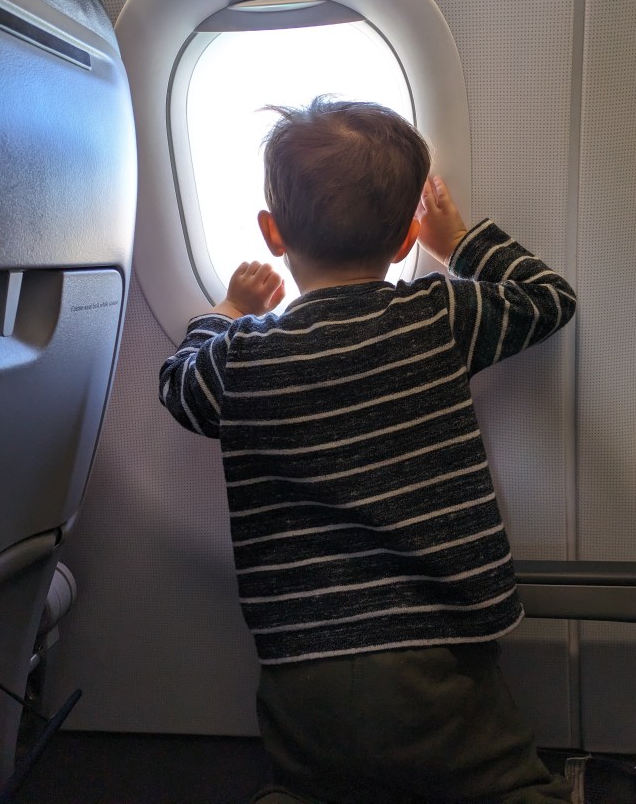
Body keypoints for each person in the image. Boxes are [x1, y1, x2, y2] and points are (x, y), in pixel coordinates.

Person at [159, 97, 576, 804]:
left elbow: (179, 389)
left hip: (305, 662)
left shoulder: (246, 355)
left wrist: (228, 313)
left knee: (307, 787)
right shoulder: (436, 314)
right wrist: (458, 243)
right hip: (440, 652)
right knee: (501, 785)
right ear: (406, 235)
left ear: (272, 232)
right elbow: (546, 297)